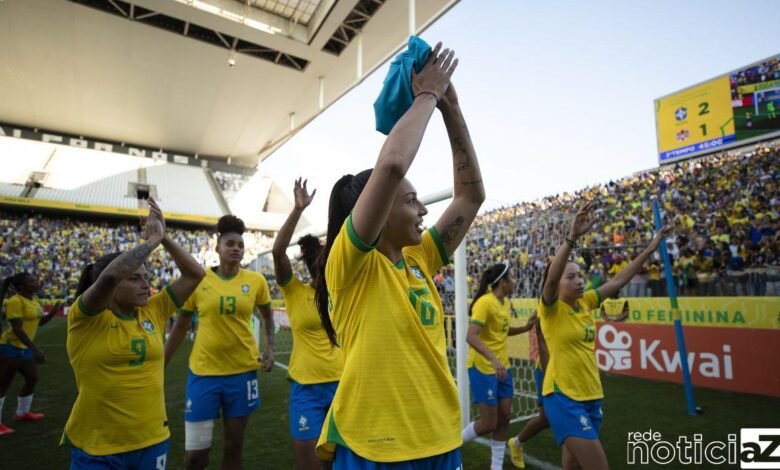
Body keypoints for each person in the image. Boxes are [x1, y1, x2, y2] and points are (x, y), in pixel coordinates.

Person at [313, 43, 484, 467]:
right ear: (379, 208)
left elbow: (470, 197)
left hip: (440, 438)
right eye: (411, 200)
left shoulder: (419, 258)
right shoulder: (350, 265)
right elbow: (391, 166)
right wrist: (427, 93)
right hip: (376, 446)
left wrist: (451, 109)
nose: (423, 209)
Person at [62, 198, 205, 469]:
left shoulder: (153, 310)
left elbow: (195, 274)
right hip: (98, 446)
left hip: (152, 440)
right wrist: (151, 242)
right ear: (114, 287)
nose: (145, 285)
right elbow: (110, 277)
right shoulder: (86, 318)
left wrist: (164, 238)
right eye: (134, 278)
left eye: (146, 278)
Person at [538, 202, 670, 470]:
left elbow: (618, 281)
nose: (579, 281)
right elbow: (550, 280)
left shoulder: (586, 302)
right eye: (571, 277)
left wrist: (649, 250)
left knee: (573, 466)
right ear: (557, 283)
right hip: (563, 396)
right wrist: (572, 237)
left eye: (580, 276)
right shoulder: (550, 309)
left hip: (591, 394)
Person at [165, 215, 275, 470]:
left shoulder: (256, 281)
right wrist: (160, 362)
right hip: (204, 374)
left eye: (240, 245)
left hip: (242, 373)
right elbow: (181, 325)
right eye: (230, 244)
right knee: (195, 456)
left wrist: (269, 348)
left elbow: (268, 316)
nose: (236, 248)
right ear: (218, 247)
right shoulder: (198, 279)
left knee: (233, 448)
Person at [272, 178, 344, 470]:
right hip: (306, 389)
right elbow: (278, 252)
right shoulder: (294, 290)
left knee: (344, 465)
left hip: (344, 385)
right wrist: (298, 210)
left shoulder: (342, 292)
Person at [461, 263, 535, 469]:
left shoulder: (504, 303)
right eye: (512, 277)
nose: (515, 281)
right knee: (488, 423)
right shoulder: (485, 303)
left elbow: (502, 330)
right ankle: (452, 445)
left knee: (504, 418)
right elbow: (471, 336)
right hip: (483, 367)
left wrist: (525, 328)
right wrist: (493, 359)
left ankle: (496, 466)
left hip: (503, 368)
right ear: (503, 282)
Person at [0, 273, 62, 435]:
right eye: (32, 281)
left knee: (32, 378)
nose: (36, 282)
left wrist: (52, 312)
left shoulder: (34, 299)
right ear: (22, 286)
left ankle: (22, 413)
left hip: (24, 347)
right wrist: (34, 348)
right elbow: (17, 329)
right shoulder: (15, 301)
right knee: (3, 385)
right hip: (10, 346)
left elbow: (39, 322)